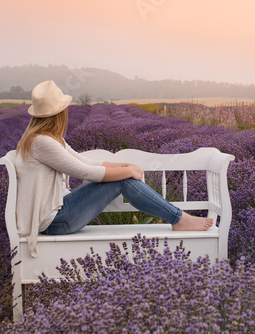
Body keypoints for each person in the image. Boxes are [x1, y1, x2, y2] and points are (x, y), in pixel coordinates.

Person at [15, 80, 213, 257]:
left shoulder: (49, 139)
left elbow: (87, 163)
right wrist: (128, 172)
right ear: (59, 114)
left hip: (59, 212)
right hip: (55, 221)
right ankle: (179, 219)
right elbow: (87, 173)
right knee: (123, 180)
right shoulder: (42, 142)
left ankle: (178, 218)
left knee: (123, 176)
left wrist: (125, 166)